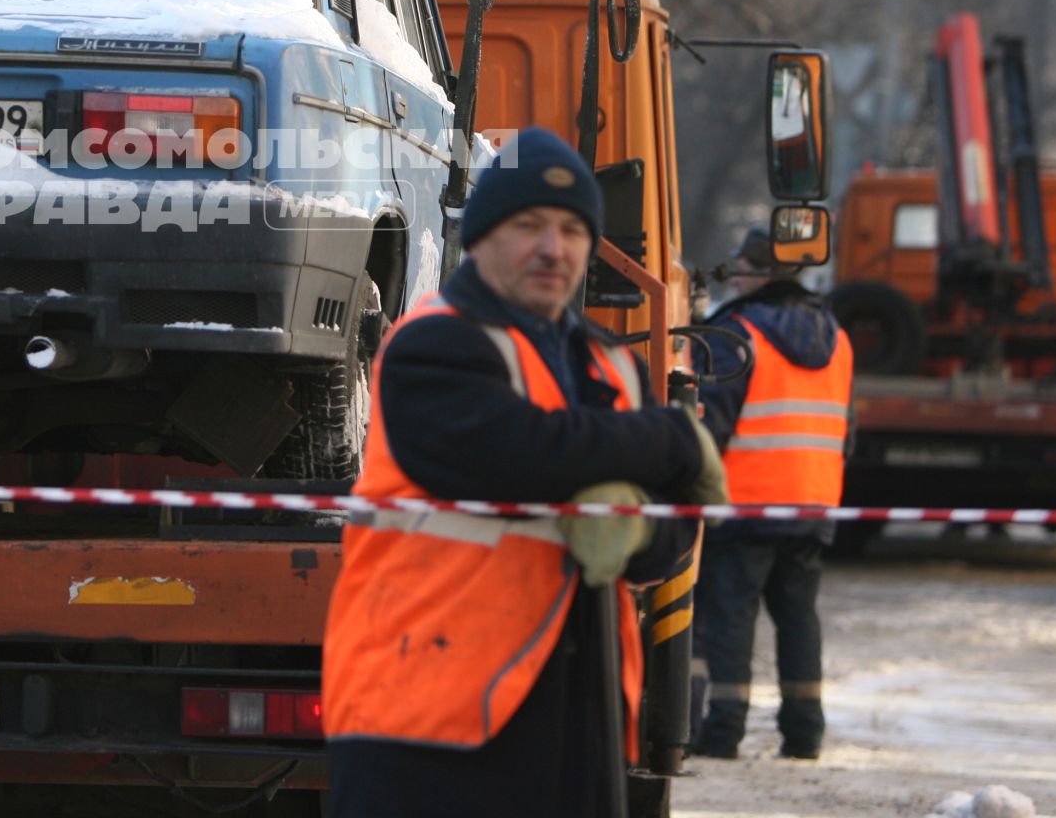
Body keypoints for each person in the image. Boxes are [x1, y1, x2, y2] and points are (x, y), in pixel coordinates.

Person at [323, 127, 729, 818]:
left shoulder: (612, 366)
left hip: (579, 715)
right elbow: (515, 455)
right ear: (481, 236)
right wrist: (668, 440)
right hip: (431, 714)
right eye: (529, 225)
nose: (554, 247)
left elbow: (672, 533)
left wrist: (633, 525)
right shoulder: (434, 343)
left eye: (573, 229)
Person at [688, 227, 854, 761]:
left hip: (745, 502)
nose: (733, 277)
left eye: (739, 267)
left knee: (730, 619)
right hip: (811, 501)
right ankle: (804, 733)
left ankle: (722, 731)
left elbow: (706, 424)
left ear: (759, 273)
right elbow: (844, 431)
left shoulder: (736, 335)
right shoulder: (838, 337)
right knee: (798, 617)